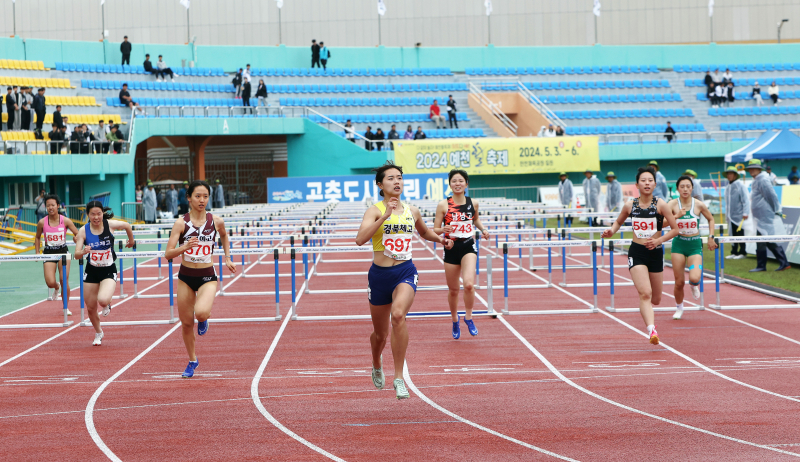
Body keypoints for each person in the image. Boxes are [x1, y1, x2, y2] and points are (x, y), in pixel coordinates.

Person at [354, 162, 453, 399]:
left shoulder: (413, 210)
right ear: (380, 184)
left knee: (398, 315)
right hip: (379, 275)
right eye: (390, 178)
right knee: (380, 335)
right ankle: (376, 360)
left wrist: (442, 239)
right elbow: (360, 239)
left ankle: (399, 377)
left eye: (399, 177)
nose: (396, 182)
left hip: (405, 272)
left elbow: (424, 232)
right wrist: (385, 216)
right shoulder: (374, 210)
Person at [164, 180, 236, 377]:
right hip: (186, 276)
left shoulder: (216, 221)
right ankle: (192, 360)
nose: (202, 200)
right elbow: (168, 254)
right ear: (189, 198)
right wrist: (184, 248)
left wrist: (228, 257)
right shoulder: (181, 223)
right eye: (198, 196)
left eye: (205, 196)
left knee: (201, 313)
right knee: (186, 323)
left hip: (207, 276)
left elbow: (224, 236)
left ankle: (204, 319)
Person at [601, 166, 681, 344]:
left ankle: (651, 320)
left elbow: (675, 229)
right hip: (636, 252)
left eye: (650, 180)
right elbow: (618, 222)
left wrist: (658, 241)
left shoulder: (661, 204)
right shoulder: (630, 205)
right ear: (637, 184)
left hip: (655, 252)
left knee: (656, 299)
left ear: (655, 184)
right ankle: (652, 331)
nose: (647, 183)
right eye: (643, 180)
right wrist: (611, 231)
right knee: (645, 293)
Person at [434, 169, 489, 339]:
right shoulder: (443, 205)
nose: (457, 184)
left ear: (466, 183)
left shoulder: (474, 202)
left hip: (468, 245)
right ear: (449, 184)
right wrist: (442, 230)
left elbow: (475, 219)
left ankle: (469, 317)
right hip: (450, 247)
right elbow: (435, 229)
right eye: (454, 181)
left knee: (469, 285)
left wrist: (483, 229)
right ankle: (454, 320)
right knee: (453, 290)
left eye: (460, 181)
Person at [73, 201, 134, 346]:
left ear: (102, 214)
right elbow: (76, 255)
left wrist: (131, 240)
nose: (96, 217)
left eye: (98, 214)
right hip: (92, 270)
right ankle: (98, 332)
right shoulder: (83, 231)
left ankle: (107, 303)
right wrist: (83, 252)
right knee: (90, 307)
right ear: (88, 215)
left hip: (108, 269)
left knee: (103, 300)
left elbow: (127, 225)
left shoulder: (109, 225)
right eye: (92, 214)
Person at [668, 176, 717, 320]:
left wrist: (711, 236)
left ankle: (694, 285)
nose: (685, 189)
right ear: (677, 188)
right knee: (679, 282)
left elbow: (711, 219)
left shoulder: (699, 204)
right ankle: (679, 307)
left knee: (695, 277)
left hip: (694, 244)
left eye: (688, 186)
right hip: (679, 244)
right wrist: (676, 216)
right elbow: (662, 222)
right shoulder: (672, 204)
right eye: (682, 186)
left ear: (692, 188)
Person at [35, 194, 79, 312]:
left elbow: (78, 234)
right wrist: (37, 252)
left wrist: (76, 239)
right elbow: (37, 237)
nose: (50, 208)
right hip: (49, 252)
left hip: (63, 252)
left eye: (53, 205)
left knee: (64, 279)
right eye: (48, 205)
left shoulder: (65, 220)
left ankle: (66, 307)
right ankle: (56, 287)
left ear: (58, 206)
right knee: (50, 282)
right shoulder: (41, 222)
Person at [746, 159, 790, 272]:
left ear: (759, 169)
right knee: (767, 240)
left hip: (765, 216)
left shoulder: (763, 180)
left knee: (764, 240)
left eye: (753, 168)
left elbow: (771, 195)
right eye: (750, 168)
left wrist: (776, 209)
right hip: (761, 217)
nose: (751, 170)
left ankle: (763, 265)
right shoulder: (757, 180)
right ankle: (782, 263)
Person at [724, 166, 749, 260]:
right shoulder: (728, 187)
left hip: (739, 215)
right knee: (732, 234)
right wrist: (727, 214)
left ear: (735, 175)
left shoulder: (740, 185)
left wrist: (745, 212)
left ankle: (742, 252)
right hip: (730, 216)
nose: (729, 175)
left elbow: (745, 200)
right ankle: (734, 251)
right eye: (728, 174)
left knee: (740, 234)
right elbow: (727, 202)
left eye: (731, 173)